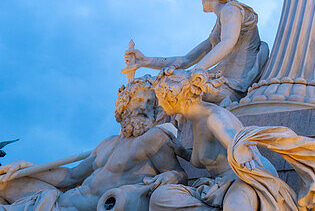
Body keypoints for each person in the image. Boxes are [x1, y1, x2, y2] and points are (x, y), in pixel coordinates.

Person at [149, 70, 315, 211]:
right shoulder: (195, 120)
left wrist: (240, 152)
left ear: (172, 98)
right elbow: (206, 157)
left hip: (245, 179)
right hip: (217, 185)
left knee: (235, 206)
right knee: (160, 198)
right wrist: (181, 151)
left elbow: (238, 147)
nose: (159, 104)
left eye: (160, 98)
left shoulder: (215, 117)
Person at [0, 78, 184, 211]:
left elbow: (180, 174)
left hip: (85, 208)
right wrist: (25, 165)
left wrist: (173, 176)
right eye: (138, 100)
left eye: (149, 102)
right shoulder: (108, 143)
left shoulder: (154, 137)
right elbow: (71, 177)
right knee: (3, 185)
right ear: (124, 106)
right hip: (57, 200)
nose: (144, 107)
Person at [125, 0, 267, 104]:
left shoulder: (231, 10)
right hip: (221, 78)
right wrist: (144, 61)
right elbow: (187, 59)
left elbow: (228, 43)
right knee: (163, 88)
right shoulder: (219, 26)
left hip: (233, 83)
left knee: (168, 90)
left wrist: (192, 75)